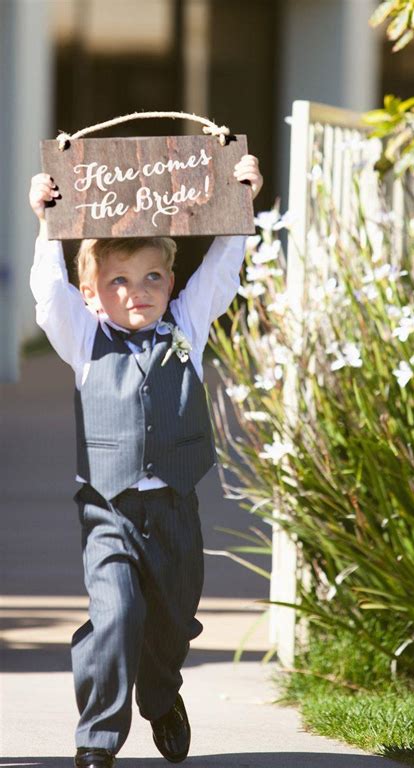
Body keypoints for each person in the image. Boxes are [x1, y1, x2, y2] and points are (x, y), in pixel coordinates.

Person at [28, 154, 263, 768]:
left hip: (175, 505)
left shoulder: (185, 326)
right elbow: (48, 294)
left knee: (174, 621)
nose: (138, 293)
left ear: (170, 282)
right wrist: (45, 223)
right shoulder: (85, 340)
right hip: (110, 508)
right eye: (119, 281)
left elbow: (220, 272)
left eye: (153, 277)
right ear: (92, 292)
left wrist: (241, 204)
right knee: (117, 616)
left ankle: (161, 695)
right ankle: (98, 736)